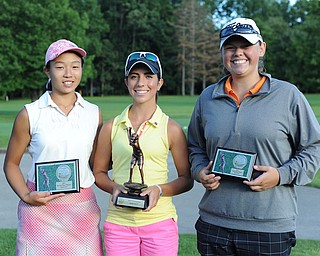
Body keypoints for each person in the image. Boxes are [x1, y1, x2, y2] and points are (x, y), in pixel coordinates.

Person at [187, 17, 320, 256]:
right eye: (230, 47)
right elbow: (195, 146)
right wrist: (199, 171)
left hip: (269, 226)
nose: (238, 53)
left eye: (245, 46)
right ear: (222, 53)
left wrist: (281, 175)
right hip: (214, 224)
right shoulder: (207, 97)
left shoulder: (288, 95)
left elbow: (313, 148)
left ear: (261, 48)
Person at [3, 39, 104, 255]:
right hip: (39, 209)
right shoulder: (30, 113)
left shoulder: (93, 112)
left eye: (75, 66)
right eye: (60, 66)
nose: (68, 73)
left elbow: (96, 164)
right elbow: (11, 164)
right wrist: (25, 195)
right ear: (47, 71)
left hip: (82, 210)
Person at [93, 51, 193, 256]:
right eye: (134, 76)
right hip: (119, 224)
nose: (141, 83)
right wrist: (114, 187)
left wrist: (159, 190)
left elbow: (186, 179)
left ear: (160, 82)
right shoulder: (111, 127)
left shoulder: (171, 128)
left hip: (160, 224)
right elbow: (99, 173)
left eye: (149, 76)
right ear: (126, 82)